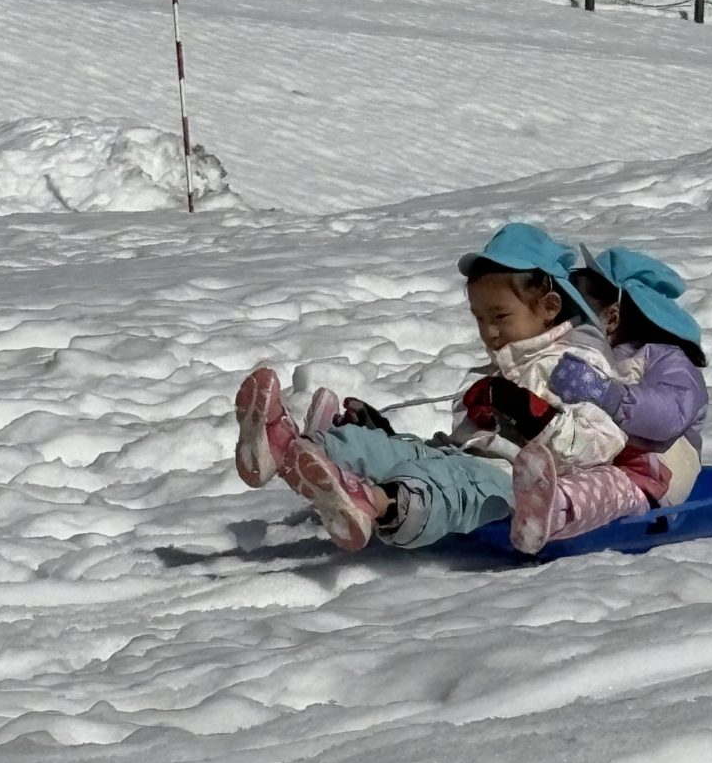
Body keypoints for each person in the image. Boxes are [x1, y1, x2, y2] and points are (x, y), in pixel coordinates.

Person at [233, 223, 645, 554]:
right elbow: (467, 431)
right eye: (479, 318)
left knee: (440, 480)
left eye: (500, 316)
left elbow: (603, 443)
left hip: (509, 479)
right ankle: (291, 449)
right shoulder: (503, 363)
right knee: (390, 450)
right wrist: (474, 410)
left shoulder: (578, 367)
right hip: (461, 453)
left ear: (549, 308)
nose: (489, 331)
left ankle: (372, 503)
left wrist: (534, 416)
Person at [552, 246, 709, 509]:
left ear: (612, 316)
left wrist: (608, 395)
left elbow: (672, 414)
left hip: (656, 473)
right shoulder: (590, 355)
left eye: (576, 313)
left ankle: (560, 508)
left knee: (598, 486)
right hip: (605, 461)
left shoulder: (665, 358)